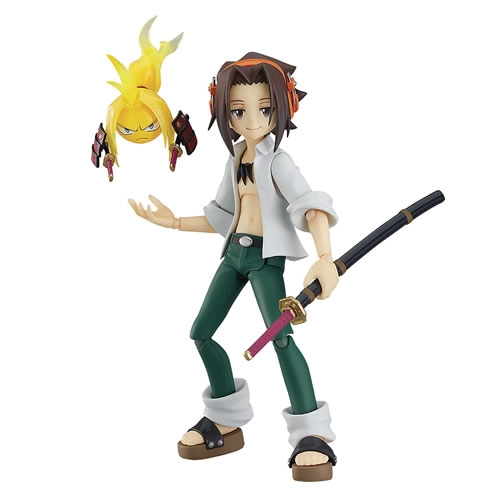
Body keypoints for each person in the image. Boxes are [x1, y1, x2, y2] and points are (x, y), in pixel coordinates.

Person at [129, 52, 340, 482]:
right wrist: (172, 222)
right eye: (239, 111)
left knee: (281, 339)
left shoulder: (278, 161)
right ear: (225, 112)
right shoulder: (236, 158)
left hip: (265, 260)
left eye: (264, 109)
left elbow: (310, 206)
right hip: (234, 255)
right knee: (201, 332)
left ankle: (311, 433)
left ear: (282, 108)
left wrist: (324, 258)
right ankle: (225, 419)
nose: (251, 120)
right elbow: (222, 215)